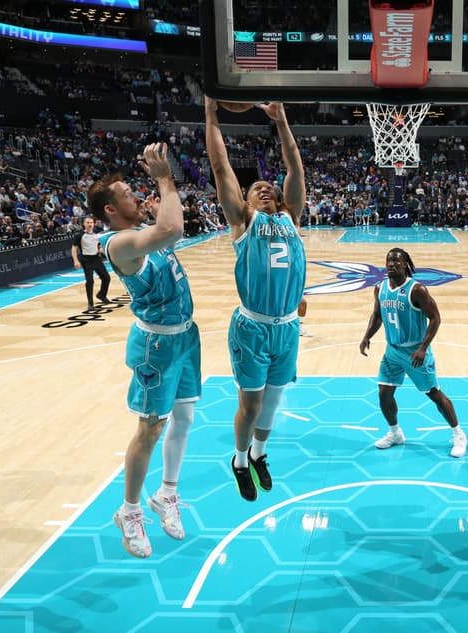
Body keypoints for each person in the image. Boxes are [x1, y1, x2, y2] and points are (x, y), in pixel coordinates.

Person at [88, 143, 201, 558]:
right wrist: (165, 177)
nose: (136, 195)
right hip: (157, 345)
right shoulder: (118, 245)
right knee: (150, 428)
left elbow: (166, 231)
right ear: (110, 210)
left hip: (186, 336)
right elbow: (172, 231)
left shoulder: (140, 232)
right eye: (126, 194)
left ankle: (166, 495)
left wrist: (158, 207)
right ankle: (129, 511)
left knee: (184, 417)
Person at [205, 97, 306, 502]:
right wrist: (211, 114)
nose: (264, 188)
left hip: (288, 328)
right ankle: (240, 460)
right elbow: (220, 168)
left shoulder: (291, 217)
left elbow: (295, 167)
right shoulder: (243, 220)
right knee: (250, 406)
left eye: (269, 187)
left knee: (273, 403)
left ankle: (260, 454)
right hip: (252, 327)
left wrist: (282, 121)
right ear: (245, 201)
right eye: (255, 188)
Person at [359, 248, 467, 457]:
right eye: (389, 260)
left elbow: (435, 318)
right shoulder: (380, 288)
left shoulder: (417, 290)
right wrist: (367, 336)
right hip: (392, 351)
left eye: (397, 261)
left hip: (414, 351)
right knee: (384, 393)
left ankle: (458, 434)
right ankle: (395, 433)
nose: (392, 264)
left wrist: (423, 348)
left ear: (405, 264)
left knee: (434, 394)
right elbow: (377, 315)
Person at [71, 216, 111, 309]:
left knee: (106, 278)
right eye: (88, 222)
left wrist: (101, 250)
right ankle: (90, 303)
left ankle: (101, 295)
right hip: (86, 260)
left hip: (96, 259)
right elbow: (74, 248)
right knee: (90, 281)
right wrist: (75, 260)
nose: (90, 224)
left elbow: (99, 246)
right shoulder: (80, 235)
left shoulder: (96, 235)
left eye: (91, 222)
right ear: (84, 224)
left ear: (94, 224)